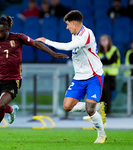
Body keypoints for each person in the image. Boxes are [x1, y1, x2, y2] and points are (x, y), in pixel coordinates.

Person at [0, 16, 68, 141]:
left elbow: (36, 43)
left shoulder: (18, 38)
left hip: (13, 80)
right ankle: (11, 110)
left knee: (1, 104)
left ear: (7, 30)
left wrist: (53, 54)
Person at [36, 10, 107, 143]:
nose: (67, 27)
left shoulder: (87, 34)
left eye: (68, 24)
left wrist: (47, 41)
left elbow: (68, 46)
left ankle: (101, 134)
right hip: (79, 77)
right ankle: (98, 107)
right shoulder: (76, 34)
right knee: (67, 107)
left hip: (93, 76)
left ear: (74, 24)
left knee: (89, 110)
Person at [98, 35, 120, 116]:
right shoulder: (99, 51)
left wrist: (103, 61)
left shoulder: (114, 49)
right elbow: (97, 61)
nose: (103, 41)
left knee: (107, 93)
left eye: (105, 40)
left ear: (108, 41)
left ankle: (108, 111)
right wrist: (105, 60)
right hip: (102, 75)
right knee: (101, 93)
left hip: (111, 75)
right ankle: (102, 111)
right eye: (101, 40)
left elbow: (112, 61)